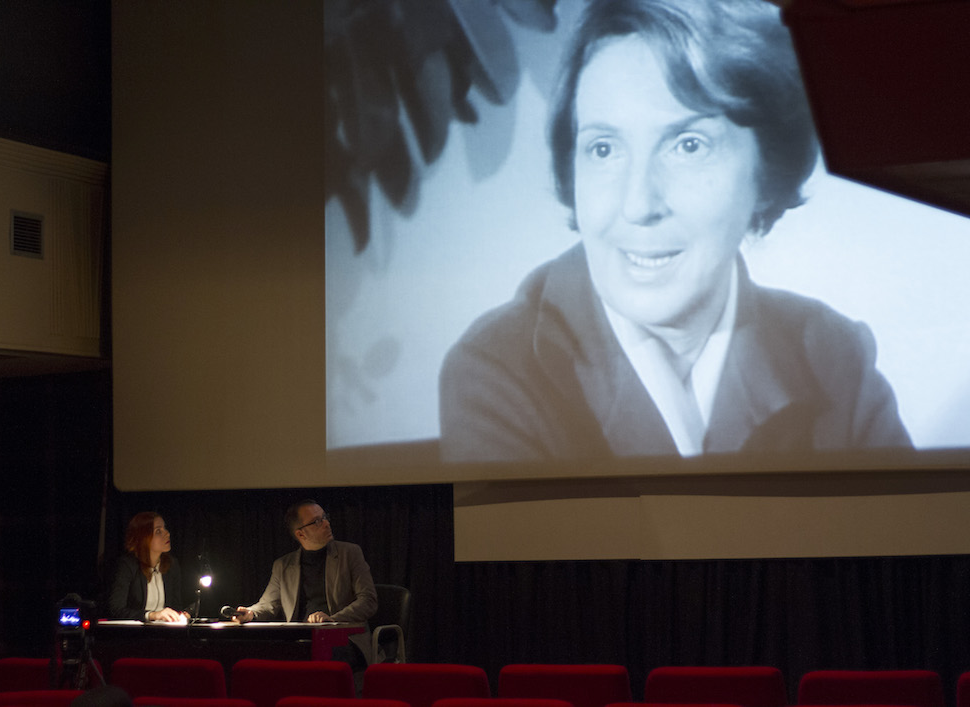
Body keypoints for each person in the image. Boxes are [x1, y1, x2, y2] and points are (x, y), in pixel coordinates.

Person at [439, 0, 911, 462]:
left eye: (689, 145)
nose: (638, 205)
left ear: (768, 172)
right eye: (603, 149)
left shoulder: (832, 353)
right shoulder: (499, 369)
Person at [232, 500, 378, 670]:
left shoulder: (350, 553)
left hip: (344, 638)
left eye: (325, 517)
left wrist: (333, 619)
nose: (326, 523)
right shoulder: (283, 565)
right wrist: (250, 613)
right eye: (317, 521)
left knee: (319, 658)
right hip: (301, 639)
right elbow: (268, 604)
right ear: (301, 534)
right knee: (263, 658)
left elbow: (368, 601)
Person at [105, 511, 190, 622]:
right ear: (143, 537)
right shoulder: (127, 565)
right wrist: (151, 615)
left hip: (164, 630)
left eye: (165, 528)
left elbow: (175, 605)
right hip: (133, 631)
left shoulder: (172, 565)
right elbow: (116, 609)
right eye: (158, 531)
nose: (167, 533)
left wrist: (180, 614)